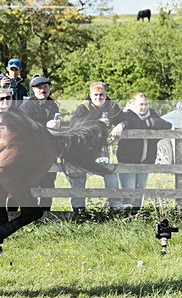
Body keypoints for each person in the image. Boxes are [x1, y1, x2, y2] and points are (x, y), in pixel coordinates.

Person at [68, 81, 127, 213]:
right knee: (79, 179)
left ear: (106, 95)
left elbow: (127, 118)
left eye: (101, 95)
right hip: (81, 152)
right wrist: (96, 122)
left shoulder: (112, 106)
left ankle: (115, 206)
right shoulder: (83, 107)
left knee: (110, 173)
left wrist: (122, 124)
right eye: (95, 95)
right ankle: (78, 212)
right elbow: (75, 124)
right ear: (90, 94)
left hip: (101, 151)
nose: (99, 97)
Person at [116, 93, 172, 209]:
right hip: (128, 161)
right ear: (133, 104)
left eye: (146, 104)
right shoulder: (126, 114)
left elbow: (167, 125)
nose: (144, 107)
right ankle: (125, 215)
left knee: (140, 192)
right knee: (129, 191)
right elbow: (128, 122)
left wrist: (149, 123)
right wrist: (123, 125)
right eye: (141, 104)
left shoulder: (152, 114)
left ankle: (138, 216)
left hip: (146, 160)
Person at [19, 76, 62, 213]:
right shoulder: (26, 106)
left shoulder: (52, 104)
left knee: (49, 182)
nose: (43, 90)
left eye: (45, 87)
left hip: (49, 151)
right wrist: (46, 125)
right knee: (33, 183)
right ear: (33, 89)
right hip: (32, 153)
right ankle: (30, 214)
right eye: (39, 87)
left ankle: (46, 213)